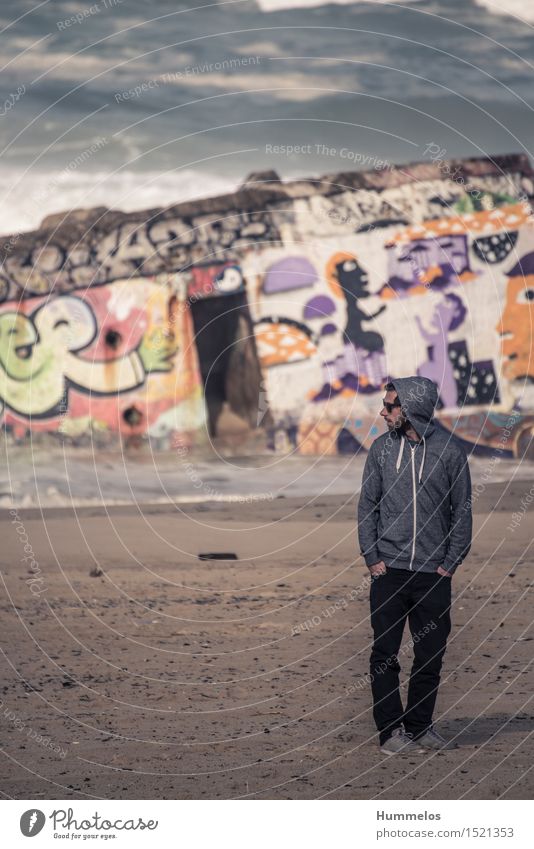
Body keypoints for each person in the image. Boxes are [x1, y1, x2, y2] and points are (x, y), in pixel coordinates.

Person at [357, 376, 472, 755]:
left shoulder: (451, 454)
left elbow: (463, 514)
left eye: (390, 406)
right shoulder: (380, 451)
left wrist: (450, 564)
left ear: (410, 408)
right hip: (388, 573)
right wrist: (372, 558)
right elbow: (367, 508)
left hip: (433, 575)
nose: (383, 411)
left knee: (430, 656)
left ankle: (420, 727)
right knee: (384, 655)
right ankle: (391, 733)